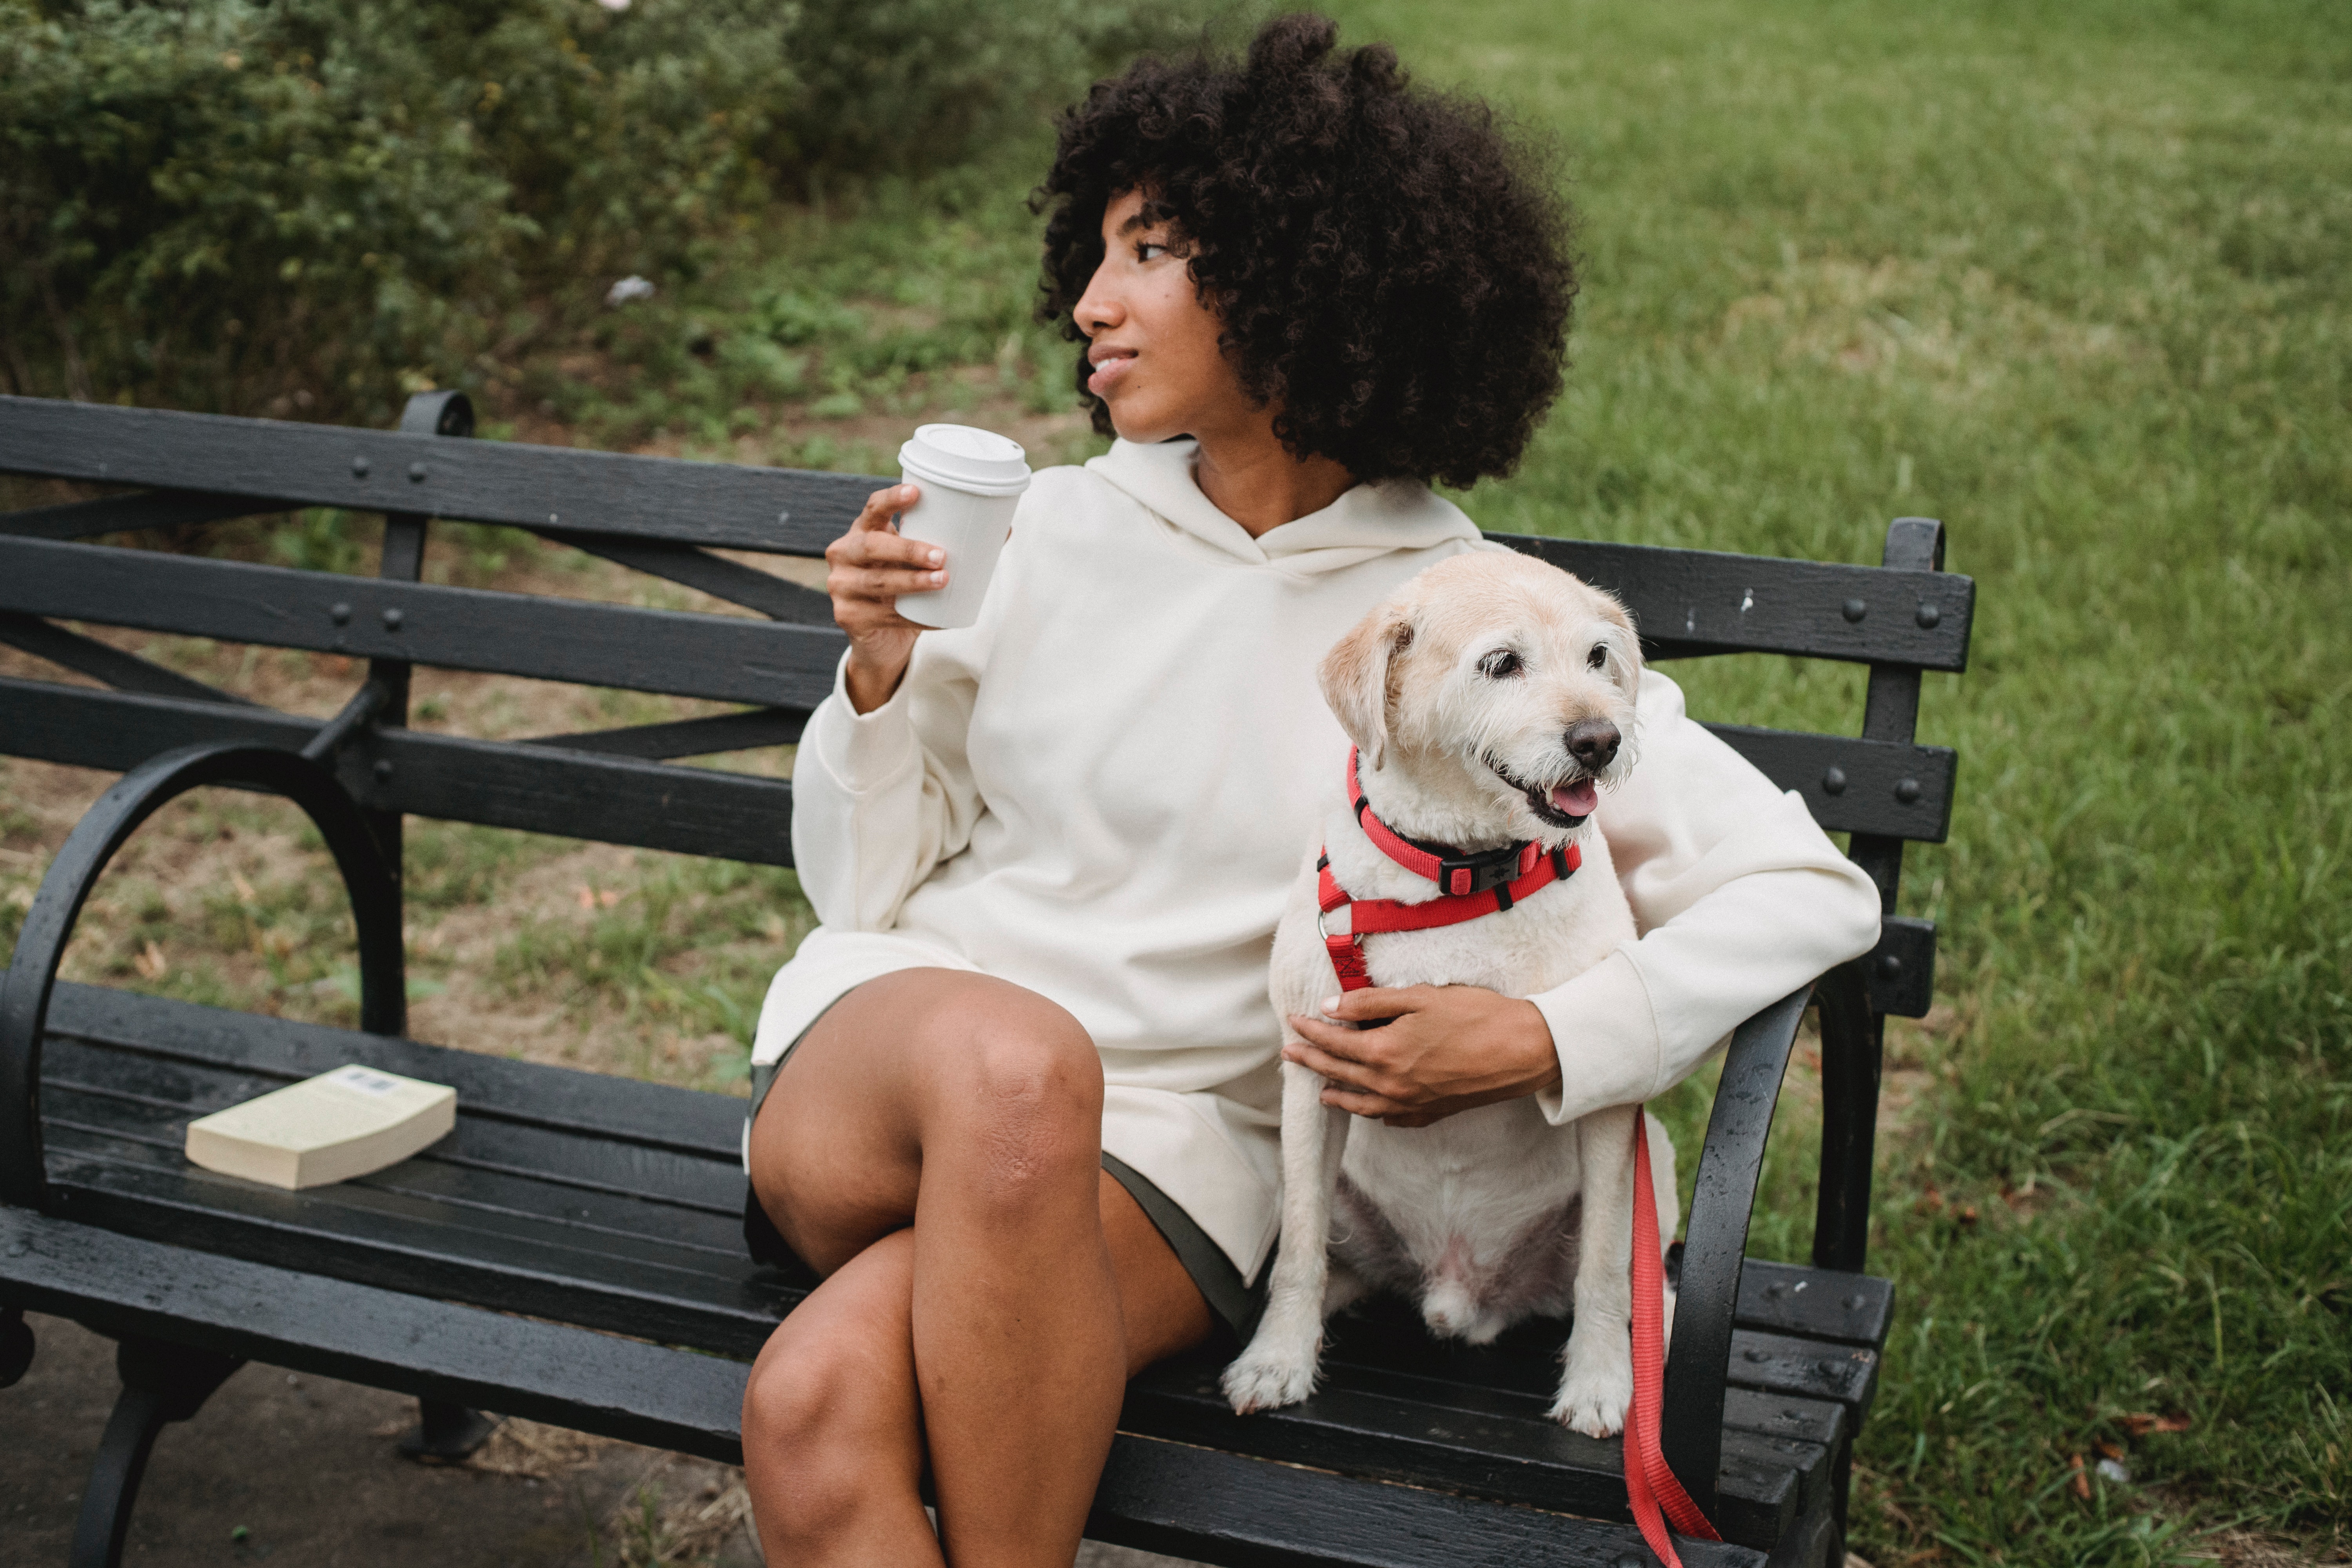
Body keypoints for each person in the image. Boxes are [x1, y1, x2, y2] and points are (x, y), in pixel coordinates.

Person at [737, 15, 1881, 1566]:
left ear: (1296, 280)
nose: (1090, 300)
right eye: (1095, 250)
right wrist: (875, 676)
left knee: (815, 1409)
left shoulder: (1462, 626)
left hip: (1172, 1164)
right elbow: (858, 890)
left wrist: (1550, 1036)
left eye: (1152, 252)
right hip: (900, 1066)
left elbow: (1815, 890)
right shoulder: (1048, 536)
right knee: (1017, 1066)